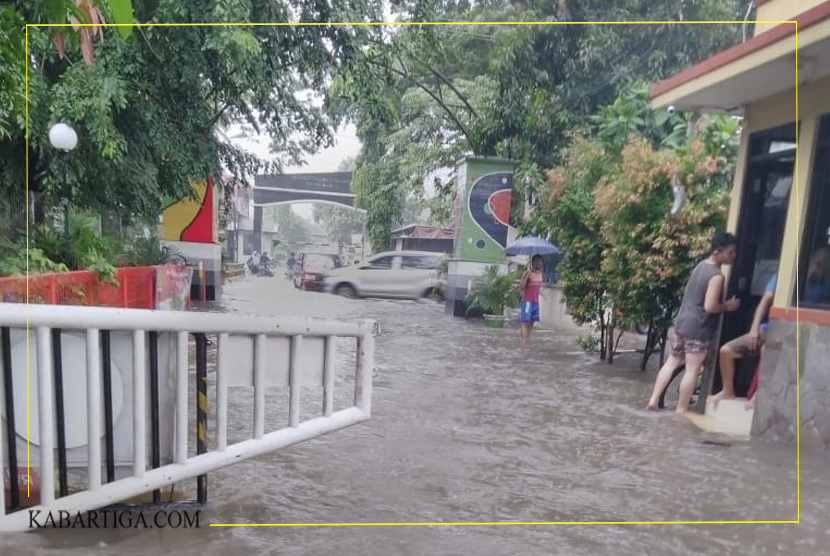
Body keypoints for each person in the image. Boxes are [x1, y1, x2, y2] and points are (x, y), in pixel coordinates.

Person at [647, 232, 740, 413]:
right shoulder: (716, 276)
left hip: (681, 323)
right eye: (730, 252)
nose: (733, 256)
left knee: (671, 362)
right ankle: (681, 410)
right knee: (692, 369)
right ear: (718, 252)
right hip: (698, 328)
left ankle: (653, 399)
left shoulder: (699, 266)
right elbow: (710, 306)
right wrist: (727, 306)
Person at [710, 273, 776, 404]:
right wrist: (754, 328)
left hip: (780, 334)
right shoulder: (779, 277)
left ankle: (758, 396)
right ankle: (727, 390)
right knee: (726, 351)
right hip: (765, 329)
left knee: (766, 352)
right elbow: (764, 301)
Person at [519, 255, 544, 342]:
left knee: (532, 322)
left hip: (535, 302)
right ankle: (523, 342)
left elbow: (536, 288)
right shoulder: (527, 273)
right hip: (527, 302)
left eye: (540, 261)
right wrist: (526, 277)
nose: (538, 263)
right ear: (532, 262)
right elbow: (521, 287)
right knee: (525, 321)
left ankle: (526, 340)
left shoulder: (540, 274)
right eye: (536, 261)